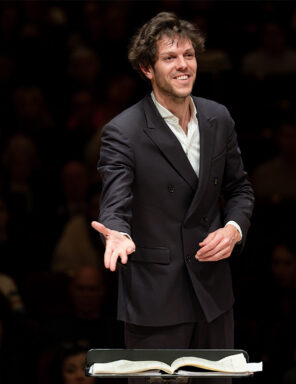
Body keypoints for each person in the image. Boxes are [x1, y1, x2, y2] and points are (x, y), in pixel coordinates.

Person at [91, 10, 254, 358]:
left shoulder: (217, 118)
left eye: (189, 55)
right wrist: (117, 231)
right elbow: (115, 201)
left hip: (213, 295)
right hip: (156, 298)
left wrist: (233, 229)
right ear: (147, 69)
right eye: (170, 57)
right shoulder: (125, 131)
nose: (183, 65)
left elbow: (239, 188)